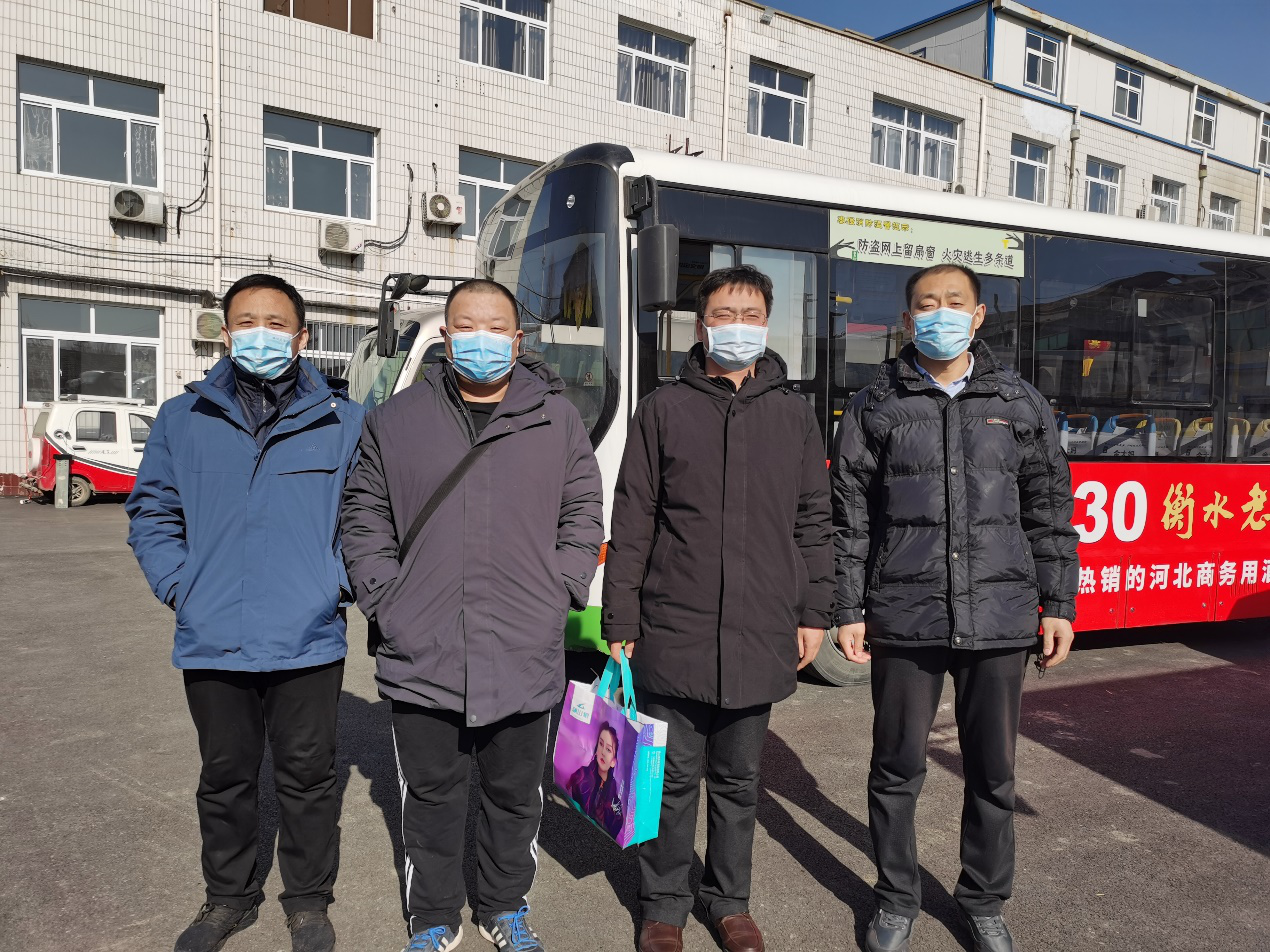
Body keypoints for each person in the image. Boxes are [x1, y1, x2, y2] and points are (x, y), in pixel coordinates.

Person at [339, 278, 604, 952]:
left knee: (515, 797)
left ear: (517, 340)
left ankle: (505, 906)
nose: (481, 341)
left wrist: (562, 588)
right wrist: (386, 598)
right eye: (466, 327)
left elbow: (582, 511)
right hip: (422, 651)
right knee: (430, 798)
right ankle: (432, 917)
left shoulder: (558, 420)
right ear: (446, 336)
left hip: (524, 648)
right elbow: (363, 516)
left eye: (495, 329)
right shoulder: (395, 420)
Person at [831, 263, 1079, 952]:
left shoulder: (1018, 403)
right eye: (925, 304)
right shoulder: (876, 404)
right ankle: (895, 899)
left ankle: (984, 900)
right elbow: (849, 518)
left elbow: (1050, 508)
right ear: (907, 320)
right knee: (896, 768)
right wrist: (848, 608)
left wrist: (1058, 601)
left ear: (978, 314)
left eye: (954, 302)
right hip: (905, 613)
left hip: (999, 614)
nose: (939, 314)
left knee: (993, 772)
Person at [126, 274, 365, 952]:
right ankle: (228, 897)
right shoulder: (183, 418)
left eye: (276, 323)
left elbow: (366, 518)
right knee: (225, 776)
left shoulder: (344, 422)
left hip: (307, 637)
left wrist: (335, 583)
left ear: (302, 337)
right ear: (226, 334)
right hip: (213, 635)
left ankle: (308, 901)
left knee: (308, 778)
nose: (261, 334)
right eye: (247, 322)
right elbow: (152, 511)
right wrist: (181, 586)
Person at [602, 264, 835, 952]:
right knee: (670, 778)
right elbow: (634, 519)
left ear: (768, 324)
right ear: (702, 326)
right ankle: (663, 906)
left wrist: (814, 611)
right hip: (675, 625)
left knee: (739, 780)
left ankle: (729, 902)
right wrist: (620, 619)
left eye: (751, 314)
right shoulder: (664, 409)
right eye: (724, 314)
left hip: (761, 625)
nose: (738, 326)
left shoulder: (792, 413)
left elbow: (813, 520)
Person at [566, 722, 624, 838]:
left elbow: (616, 827)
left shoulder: (614, 799)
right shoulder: (581, 776)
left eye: (608, 750)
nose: (603, 752)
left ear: (613, 761)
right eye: (601, 744)